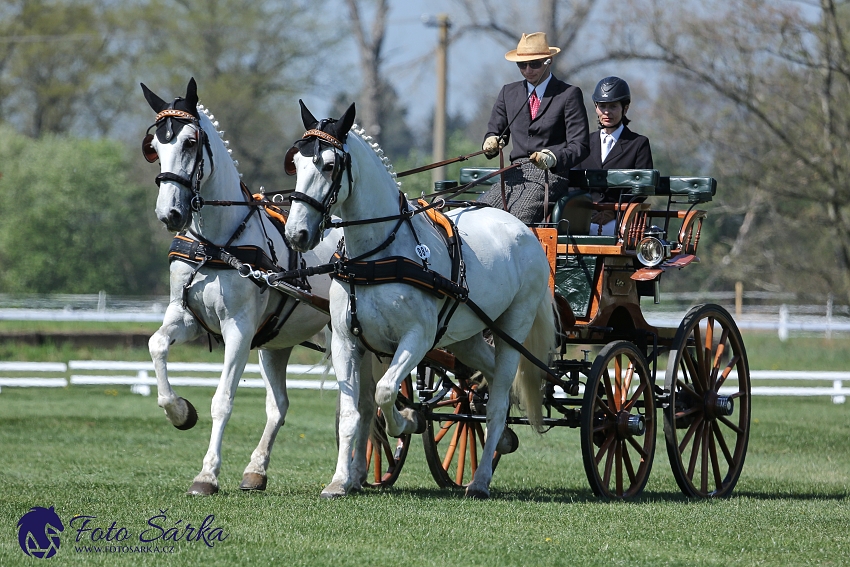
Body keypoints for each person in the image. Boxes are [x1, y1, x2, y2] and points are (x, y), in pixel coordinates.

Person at [478, 32, 590, 224]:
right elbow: (496, 132)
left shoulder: (569, 94)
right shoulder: (508, 92)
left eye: (535, 64)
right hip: (514, 174)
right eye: (522, 65)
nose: (528, 70)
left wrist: (554, 158)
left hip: (550, 176)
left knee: (513, 222)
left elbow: (580, 146)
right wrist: (491, 142)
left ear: (549, 60)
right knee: (480, 216)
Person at [577, 76, 653, 235]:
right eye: (602, 106)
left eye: (613, 107)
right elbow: (573, 184)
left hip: (621, 219)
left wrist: (613, 212)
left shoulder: (638, 144)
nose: (606, 112)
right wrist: (587, 211)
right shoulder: (582, 143)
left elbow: (642, 189)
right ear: (596, 107)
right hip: (585, 216)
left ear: (625, 108)